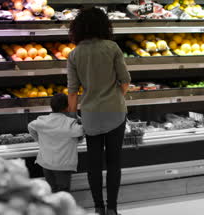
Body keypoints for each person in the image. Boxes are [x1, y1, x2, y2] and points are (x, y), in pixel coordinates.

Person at [67, 7, 131, 215]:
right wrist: (116, 96)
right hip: (115, 111)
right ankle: (112, 209)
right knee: (114, 163)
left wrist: (72, 114)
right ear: (104, 25)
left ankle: (98, 209)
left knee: (94, 164)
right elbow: (125, 80)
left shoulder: (74, 54)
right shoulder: (112, 47)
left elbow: (73, 91)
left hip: (90, 114)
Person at [28, 93, 84, 193]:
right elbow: (83, 130)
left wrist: (39, 140)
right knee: (63, 193)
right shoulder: (70, 124)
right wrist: (77, 117)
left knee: (52, 191)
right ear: (68, 107)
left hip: (46, 164)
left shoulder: (42, 120)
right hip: (63, 166)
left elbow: (30, 126)